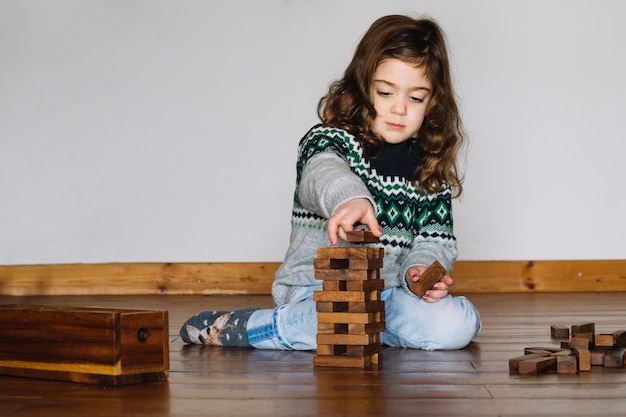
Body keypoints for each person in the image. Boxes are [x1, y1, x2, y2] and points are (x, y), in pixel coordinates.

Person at [180, 14, 482, 351]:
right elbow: (321, 174)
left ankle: (363, 329)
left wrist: (419, 274)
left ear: (433, 102)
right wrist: (350, 198)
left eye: (416, 98)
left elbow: (435, 238)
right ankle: (249, 327)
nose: (399, 109)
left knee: (458, 323)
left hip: (388, 296)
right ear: (363, 85)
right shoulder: (329, 140)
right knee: (337, 314)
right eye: (385, 92)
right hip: (316, 289)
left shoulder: (430, 167)